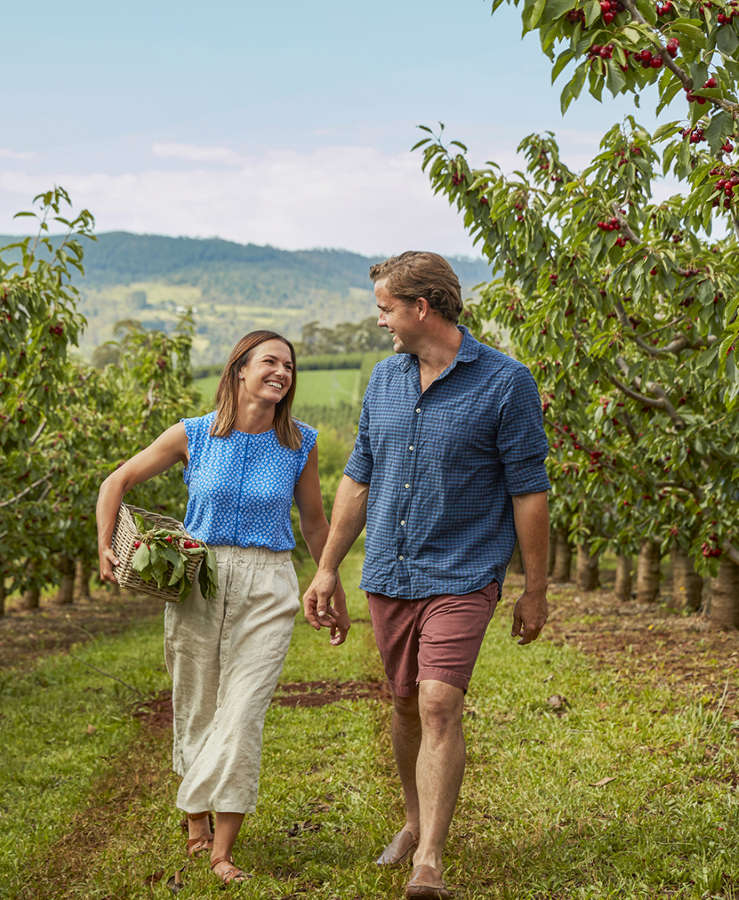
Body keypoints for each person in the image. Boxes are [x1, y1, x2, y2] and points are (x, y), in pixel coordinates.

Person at [303, 252, 550, 900]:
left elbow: (529, 491)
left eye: (384, 308)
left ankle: (430, 863)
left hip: (464, 569)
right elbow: (358, 476)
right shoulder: (383, 380)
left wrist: (535, 589)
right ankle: (413, 822)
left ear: (421, 307)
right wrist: (327, 567)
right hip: (389, 567)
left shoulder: (505, 382)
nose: (379, 320)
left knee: (440, 702)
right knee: (406, 701)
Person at [96, 330, 350, 886]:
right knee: (196, 702)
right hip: (198, 578)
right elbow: (116, 482)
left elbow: (313, 523)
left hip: (268, 582)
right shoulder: (193, 434)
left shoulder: (299, 443)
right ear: (239, 369)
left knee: (242, 711)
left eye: (289, 365)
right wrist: (105, 549)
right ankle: (195, 825)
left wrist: (332, 585)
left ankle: (221, 850)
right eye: (270, 362)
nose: (282, 372)